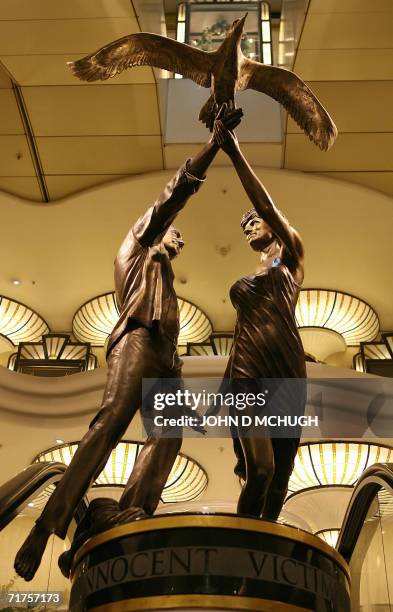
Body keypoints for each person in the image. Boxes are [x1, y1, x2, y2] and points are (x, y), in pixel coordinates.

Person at [14, 108, 243, 581]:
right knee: (112, 420)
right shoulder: (136, 248)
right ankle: (45, 526)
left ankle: (126, 519)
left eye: (179, 239)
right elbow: (173, 196)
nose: (178, 240)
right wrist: (214, 146)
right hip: (136, 339)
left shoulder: (166, 280)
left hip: (165, 355)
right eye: (174, 234)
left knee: (170, 436)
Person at [213, 109, 306, 520]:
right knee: (261, 469)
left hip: (285, 367)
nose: (248, 227)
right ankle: (243, 545)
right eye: (244, 226)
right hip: (248, 370)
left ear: (274, 223)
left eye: (254, 222)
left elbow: (264, 202)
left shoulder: (291, 257)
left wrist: (234, 152)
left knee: (280, 476)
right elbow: (241, 333)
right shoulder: (254, 273)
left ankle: (263, 556)